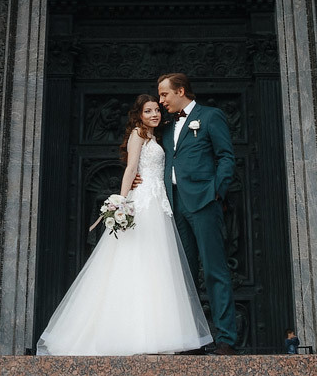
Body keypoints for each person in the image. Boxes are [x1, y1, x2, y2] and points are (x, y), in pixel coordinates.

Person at [35, 95, 212, 355]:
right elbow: (131, 168)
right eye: (148, 111)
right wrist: (122, 199)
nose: (154, 114)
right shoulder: (138, 135)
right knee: (136, 259)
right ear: (139, 115)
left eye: (156, 110)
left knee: (157, 263)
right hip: (143, 202)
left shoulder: (157, 137)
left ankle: (159, 333)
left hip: (158, 202)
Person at [157, 72, 239, 354]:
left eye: (165, 94)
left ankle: (226, 339)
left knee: (215, 270)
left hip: (204, 202)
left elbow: (226, 156)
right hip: (175, 204)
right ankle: (192, 341)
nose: (161, 100)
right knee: (184, 276)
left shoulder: (210, 116)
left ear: (181, 91)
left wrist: (217, 191)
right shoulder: (166, 126)